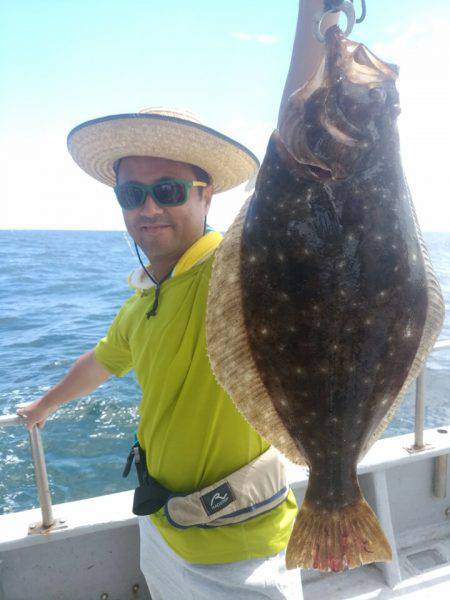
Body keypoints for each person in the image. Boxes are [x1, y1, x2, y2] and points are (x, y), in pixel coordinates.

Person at [17, 2, 338, 598]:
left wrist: (313, 18)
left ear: (206, 195)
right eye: (132, 192)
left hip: (242, 545)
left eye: (167, 190)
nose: (148, 208)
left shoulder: (236, 267)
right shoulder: (144, 300)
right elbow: (104, 360)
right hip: (161, 524)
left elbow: (298, 146)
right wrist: (44, 406)